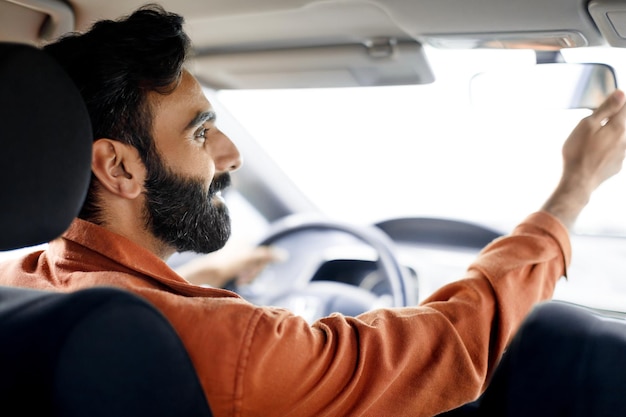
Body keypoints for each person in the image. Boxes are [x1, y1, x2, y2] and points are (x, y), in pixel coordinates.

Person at [1, 4, 625, 416]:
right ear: (118, 168)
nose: (232, 154)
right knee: (567, 347)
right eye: (200, 134)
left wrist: (198, 286)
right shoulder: (231, 343)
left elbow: (139, 296)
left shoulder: (22, 292)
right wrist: (573, 190)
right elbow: (449, 344)